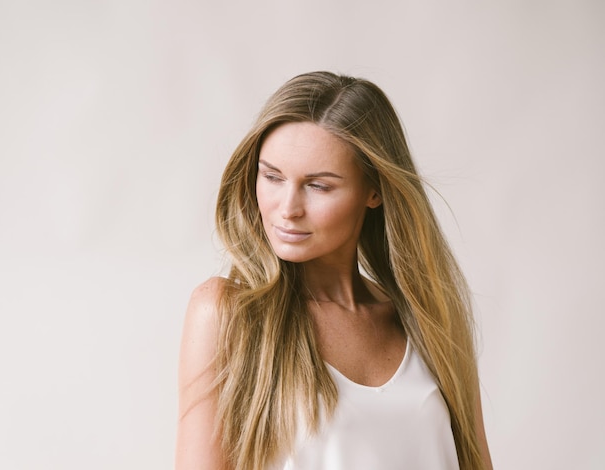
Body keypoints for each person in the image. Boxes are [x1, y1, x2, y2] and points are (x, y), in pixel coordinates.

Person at [176, 71, 493, 470]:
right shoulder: (228, 313)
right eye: (272, 176)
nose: (287, 207)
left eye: (319, 186)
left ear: (374, 190)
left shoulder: (428, 320)